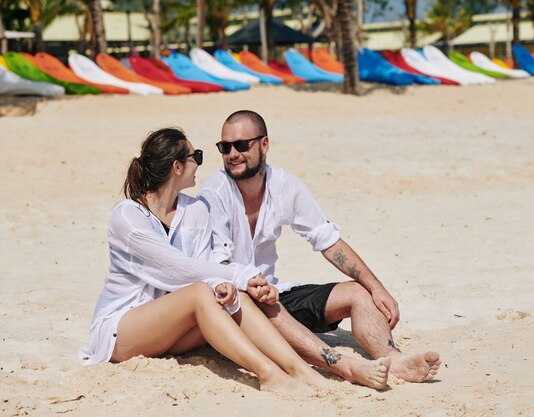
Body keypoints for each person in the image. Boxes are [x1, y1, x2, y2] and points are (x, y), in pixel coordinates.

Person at [78, 127, 336, 394]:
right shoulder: (129, 218)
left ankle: (300, 370)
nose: (199, 163)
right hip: (121, 331)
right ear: (177, 167)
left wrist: (225, 285)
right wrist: (238, 275)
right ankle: (268, 374)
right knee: (203, 293)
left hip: (172, 330)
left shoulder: (196, 210)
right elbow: (174, 268)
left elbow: (203, 266)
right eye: (195, 156)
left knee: (234, 297)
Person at [198, 111, 441, 389]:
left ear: (264, 144)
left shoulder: (285, 185)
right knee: (266, 305)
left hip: (273, 294)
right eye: (224, 147)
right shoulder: (214, 192)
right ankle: (344, 366)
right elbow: (216, 265)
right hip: (235, 305)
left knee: (358, 293)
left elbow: (328, 241)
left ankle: (393, 358)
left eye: (241, 145)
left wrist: (376, 287)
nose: (232, 154)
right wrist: (256, 287)